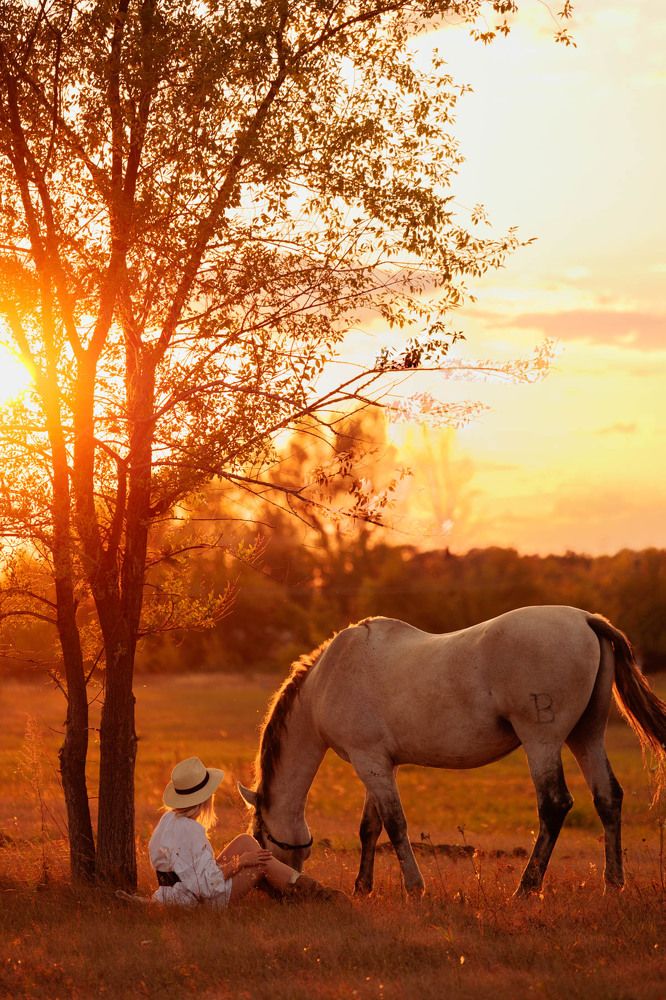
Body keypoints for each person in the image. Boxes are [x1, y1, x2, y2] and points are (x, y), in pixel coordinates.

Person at [146, 756, 347, 907]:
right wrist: (240, 862)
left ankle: (297, 891)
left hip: (178, 892)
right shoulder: (191, 830)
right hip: (198, 902)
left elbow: (192, 874)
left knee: (245, 841)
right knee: (260, 862)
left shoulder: (169, 820)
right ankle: (316, 896)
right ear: (205, 798)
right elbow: (205, 887)